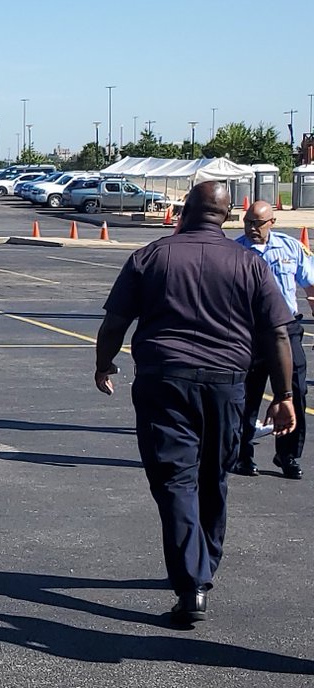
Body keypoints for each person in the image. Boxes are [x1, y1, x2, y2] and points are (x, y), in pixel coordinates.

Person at [95, 181, 296, 625]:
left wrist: (104, 364)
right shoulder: (249, 262)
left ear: (184, 211)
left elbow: (115, 322)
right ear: (227, 216)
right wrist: (284, 395)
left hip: (164, 381)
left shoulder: (151, 256)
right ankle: (205, 565)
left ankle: (192, 583)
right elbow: (277, 333)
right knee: (213, 475)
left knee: (175, 481)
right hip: (227, 384)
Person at [232, 200, 314, 479]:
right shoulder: (236, 251)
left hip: (286, 329)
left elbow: (310, 285)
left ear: (272, 223)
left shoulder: (290, 248)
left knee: (295, 391)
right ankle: (243, 455)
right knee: (247, 394)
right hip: (250, 332)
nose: (252, 228)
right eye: (248, 222)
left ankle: (288, 454)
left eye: (258, 223)